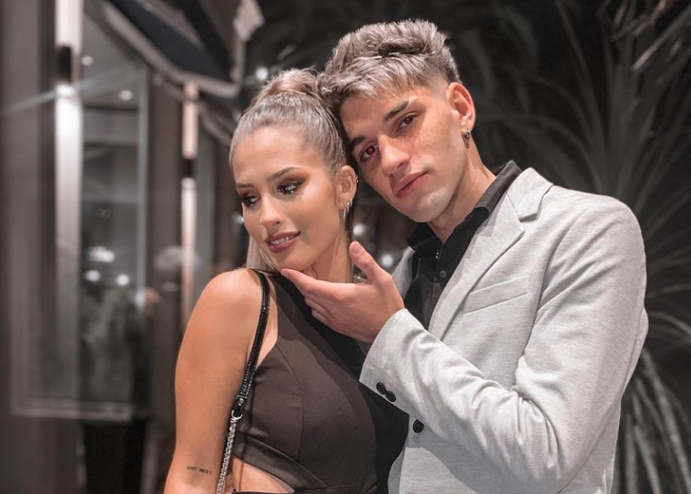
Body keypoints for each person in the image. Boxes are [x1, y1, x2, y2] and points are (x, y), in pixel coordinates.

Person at [281, 20, 649, 493]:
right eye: (368, 150)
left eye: (405, 122)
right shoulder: (407, 273)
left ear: (460, 108)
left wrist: (388, 333)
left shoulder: (587, 229)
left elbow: (546, 451)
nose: (390, 160)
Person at [164, 69, 407, 494]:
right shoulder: (238, 301)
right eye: (250, 198)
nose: (267, 216)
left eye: (288, 187)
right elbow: (189, 479)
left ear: (344, 185)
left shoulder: (383, 312)